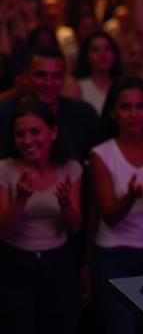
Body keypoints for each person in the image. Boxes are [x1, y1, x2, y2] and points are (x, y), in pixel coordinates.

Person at [89, 76, 143, 334]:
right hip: (113, 255)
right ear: (113, 112)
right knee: (121, 327)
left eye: (140, 106)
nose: (134, 114)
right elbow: (108, 216)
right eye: (126, 107)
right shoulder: (102, 154)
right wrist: (130, 197)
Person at [0, 102, 83, 334]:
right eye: (20, 134)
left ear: (53, 132)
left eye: (35, 132)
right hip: (14, 264)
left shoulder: (70, 168)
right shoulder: (4, 169)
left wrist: (65, 204)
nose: (27, 141)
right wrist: (22, 197)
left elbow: (75, 227)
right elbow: (3, 230)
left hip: (58, 264)